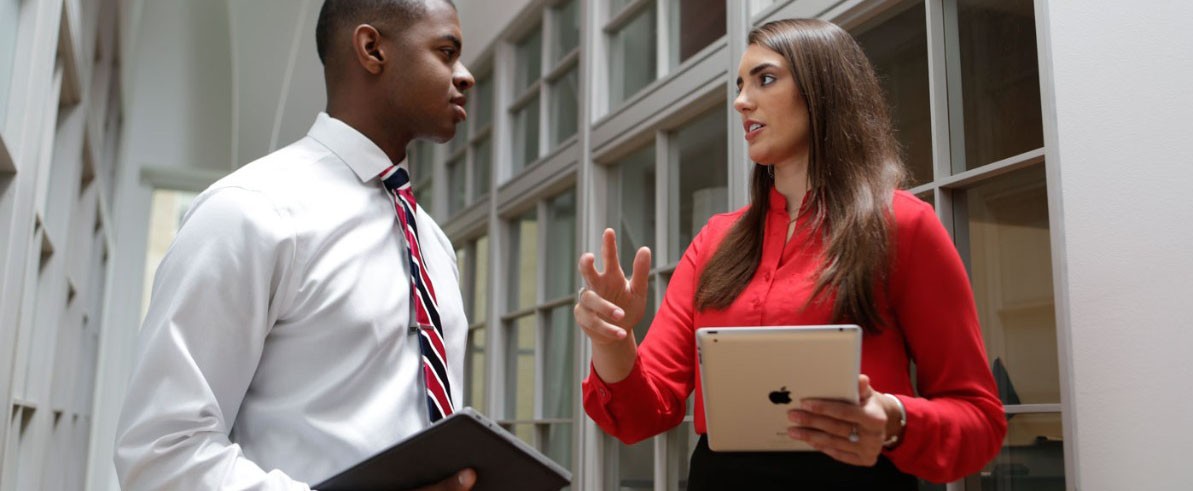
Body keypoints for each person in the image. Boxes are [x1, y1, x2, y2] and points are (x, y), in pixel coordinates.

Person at [576, 18, 1006, 489]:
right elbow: (641, 417)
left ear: (824, 89)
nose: (741, 101)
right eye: (739, 85)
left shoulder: (904, 225)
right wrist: (614, 339)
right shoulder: (714, 242)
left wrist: (894, 420)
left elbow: (979, 422)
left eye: (764, 78)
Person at [114, 1, 477, 489]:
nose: (466, 75)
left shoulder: (433, 244)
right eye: (447, 52)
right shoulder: (250, 211)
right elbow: (161, 452)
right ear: (372, 50)